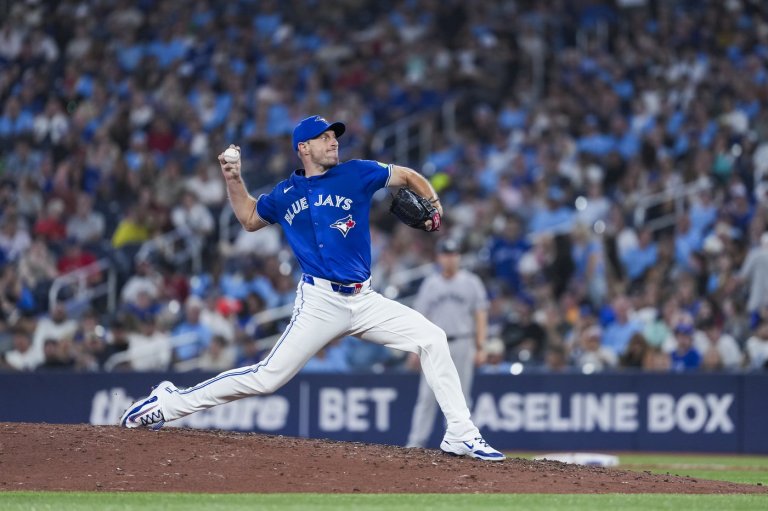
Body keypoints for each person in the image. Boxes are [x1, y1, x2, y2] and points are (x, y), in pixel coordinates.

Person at [120, 115, 505, 461]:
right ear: (303, 147)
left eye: (334, 136)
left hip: (365, 299)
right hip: (320, 302)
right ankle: (169, 403)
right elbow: (250, 218)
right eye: (324, 137)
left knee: (433, 338)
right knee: (267, 378)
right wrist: (233, 179)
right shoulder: (285, 193)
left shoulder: (356, 172)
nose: (333, 141)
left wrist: (433, 202)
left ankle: (461, 433)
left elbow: (404, 175)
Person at [405, 237, 489, 448]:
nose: (450, 259)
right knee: (427, 396)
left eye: (453, 254)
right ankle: (415, 443)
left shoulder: (471, 282)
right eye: (446, 254)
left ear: (459, 257)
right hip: (435, 346)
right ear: (438, 257)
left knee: (461, 397)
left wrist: (481, 346)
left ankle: (462, 441)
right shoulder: (430, 284)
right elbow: (420, 318)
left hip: (463, 342)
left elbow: (480, 315)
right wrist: (414, 349)